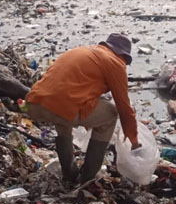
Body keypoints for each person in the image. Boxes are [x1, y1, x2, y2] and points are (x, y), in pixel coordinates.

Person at [24, 33, 141, 183]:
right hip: (60, 106)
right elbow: (124, 107)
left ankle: (69, 173)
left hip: (34, 104)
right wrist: (134, 141)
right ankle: (88, 176)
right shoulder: (115, 62)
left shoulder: (81, 51)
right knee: (111, 114)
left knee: (63, 115)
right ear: (123, 55)